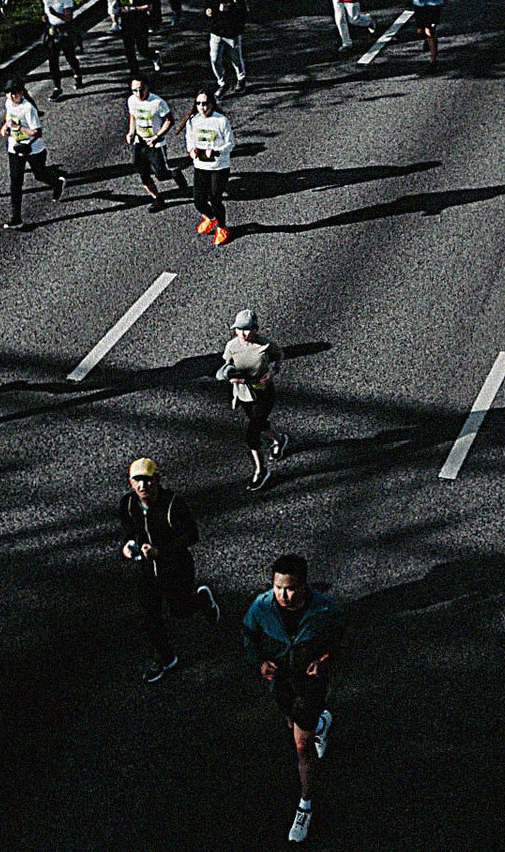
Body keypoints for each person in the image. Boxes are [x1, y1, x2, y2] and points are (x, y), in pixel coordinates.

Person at [244, 555, 347, 843]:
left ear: (303, 586)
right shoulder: (262, 606)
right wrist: (260, 662)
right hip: (281, 682)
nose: (283, 595)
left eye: (289, 589)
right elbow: (249, 634)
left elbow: (341, 636)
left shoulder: (324, 608)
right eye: (278, 587)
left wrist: (325, 660)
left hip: (309, 683)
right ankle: (320, 724)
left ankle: (305, 804)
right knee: (292, 724)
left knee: (302, 748)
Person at [121, 458, 221, 682]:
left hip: (175, 567)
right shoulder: (128, 505)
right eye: (138, 480)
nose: (143, 485)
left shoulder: (173, 503)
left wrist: (161, 551)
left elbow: (191, 534)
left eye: (148, 480)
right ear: (131, 483)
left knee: (181, 610)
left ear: (157, 480)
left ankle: (201, 600)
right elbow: (129, 533)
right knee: (148, 616)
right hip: (147, 570)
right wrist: (128, 547)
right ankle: (166, 658)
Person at [220, 310, 291, 490]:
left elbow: (279, 355)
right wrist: (231, 377)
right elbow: (226, 366)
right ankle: (279, 440)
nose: (244, 334)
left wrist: (274, 372)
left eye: (248, 329)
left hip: (264, 393)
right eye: (239, 329)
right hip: (244, 393)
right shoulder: (232, 345)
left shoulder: (265, 344)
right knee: (259, 423)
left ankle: (261, 471)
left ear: (255, 329)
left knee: (252, 433)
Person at [0, 81, 65, 229]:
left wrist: (19, 128)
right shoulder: (8, 104)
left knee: (39, 175)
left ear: (22, 93)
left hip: (33, 149)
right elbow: (9, 119)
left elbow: (37, 132)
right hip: (15, 148)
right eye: (8, 93)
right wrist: (6, 127)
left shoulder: (28, 108)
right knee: (15, 183)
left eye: (15, 92)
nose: (11, 96)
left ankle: (57, 182)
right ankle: (16, 218)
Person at [184, 88, 234, 244]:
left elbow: (230, 143)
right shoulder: (193, 121)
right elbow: (189, 139)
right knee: (198, 201)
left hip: (219, 167)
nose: (202, 107)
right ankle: (211, 218)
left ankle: (222, 227)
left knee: (215, 198)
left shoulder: (221, 120)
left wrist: (216, 151)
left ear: (211, 103)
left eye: (205, 104)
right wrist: (191, 150)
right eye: (198, 103)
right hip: (200, 166)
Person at [126, 74, 184, 208]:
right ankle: (157, 199)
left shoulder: (157, 103)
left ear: (147, 87)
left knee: (161, 174)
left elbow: (169, 121)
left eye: (141, 89)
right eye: (135, 90)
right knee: (142, 173)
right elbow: (133, 116)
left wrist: (157, 136)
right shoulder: (131, 101)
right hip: (139, 142)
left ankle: (174, 173)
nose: (138, 93)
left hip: (156, 143)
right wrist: (131, 131)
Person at [203, 0, 248, 96]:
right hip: (216, 30)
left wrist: (230, 9)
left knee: (235, 58)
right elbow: (206, 5)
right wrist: (208, 11)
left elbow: (243, 11)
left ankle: (241, 78)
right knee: (214, 58)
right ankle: (222, 82)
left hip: (232, 32)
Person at [38, 0, 84, 97]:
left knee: (69, 56)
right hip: (52, 30)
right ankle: (57, 87)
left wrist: (56, 14)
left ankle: (77, 74)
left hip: (64, 30)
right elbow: (46, 12)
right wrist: (45, 17)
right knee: (53, 60)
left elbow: (68, 17)